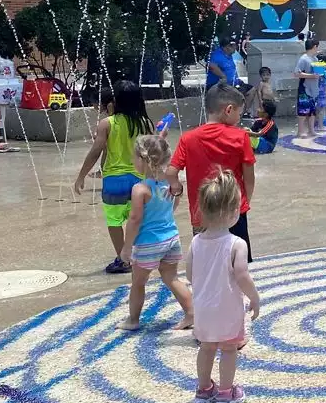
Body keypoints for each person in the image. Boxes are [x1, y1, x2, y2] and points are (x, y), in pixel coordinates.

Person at [187, 169, 259, 403]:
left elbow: (189, 274)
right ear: (232, 212)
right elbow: (242, 275)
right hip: (227, 308)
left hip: (203, 309)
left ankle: (203, 390)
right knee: (228, 349)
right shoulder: (236, 244)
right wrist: (254, 297)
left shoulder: (195, 242)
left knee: (206, 347)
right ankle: (226, 394)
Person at [168, 84, 257, 261]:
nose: (239, 119)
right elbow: (249, 176)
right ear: (229, 110)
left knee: (205, 263)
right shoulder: (240, 137)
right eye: (239, 114)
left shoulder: (188, 138)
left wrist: (176, 187)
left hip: (202, 213)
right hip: (234, 210)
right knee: (237, 263)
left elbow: (171, 172)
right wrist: (245, 200)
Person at [74, 81, 153, 274]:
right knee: (137, 220)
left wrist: (81, 176)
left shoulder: (107, 123)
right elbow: (153, 153)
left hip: (114, 182)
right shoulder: (145, 123)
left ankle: (123, 259)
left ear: (115, 101)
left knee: (115, 222)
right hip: (139, 181)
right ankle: (139, 255)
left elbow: (95, 151)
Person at [118, 134, 195, 331]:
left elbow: (134, 220)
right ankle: (191, 313)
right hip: (171, 238)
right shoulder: (172, 185)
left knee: (138, 282)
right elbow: (173, 206)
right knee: (172, 278)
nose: (133, 160)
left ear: (143, 160)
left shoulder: (140, 189)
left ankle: (133, 320)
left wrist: (127, 248)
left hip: (147, 243)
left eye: (135, 157)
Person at [294, 38, 323, 138]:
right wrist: (312, 76)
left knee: (312, 111)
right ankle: (300, 131)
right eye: (317, 47)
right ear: (315, 47)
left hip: (313, 89)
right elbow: (296, 73)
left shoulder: (315, 59)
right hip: (305, 88)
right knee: (303, 110)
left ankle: (311, 130)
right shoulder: (303, 59)